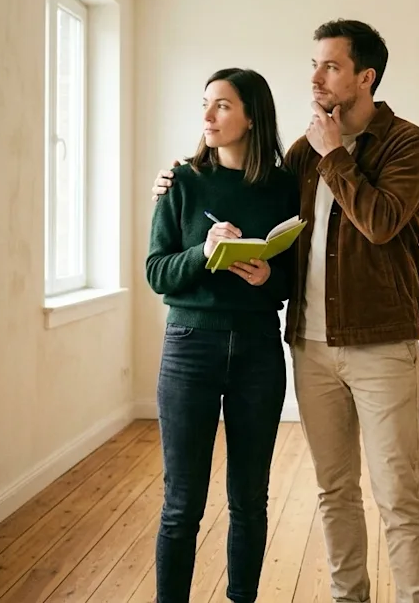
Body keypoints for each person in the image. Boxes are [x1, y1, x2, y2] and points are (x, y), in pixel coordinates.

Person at [152, 20, 419, 603]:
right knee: (335, 491)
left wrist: (336, 157)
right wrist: (179, 187)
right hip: (308, 344)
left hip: (380, 341)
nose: (315, 78)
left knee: (397, 495)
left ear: (366, 76)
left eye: (330, 66)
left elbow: (382, 223)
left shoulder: (405, 143)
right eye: (314, 65)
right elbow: (286, 243)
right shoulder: (300, 156)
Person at [145, 67, 298, 603]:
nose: (208, 116)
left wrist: (269, 277)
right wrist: (202, 253)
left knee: (249, 499)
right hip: (190, 347)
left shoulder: (283, 187)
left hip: (258, 349)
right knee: (182, 501)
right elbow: (157, 271)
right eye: (205, 104)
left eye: (223, 106)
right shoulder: (182, 181)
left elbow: (295, 272)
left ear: (251, 116)